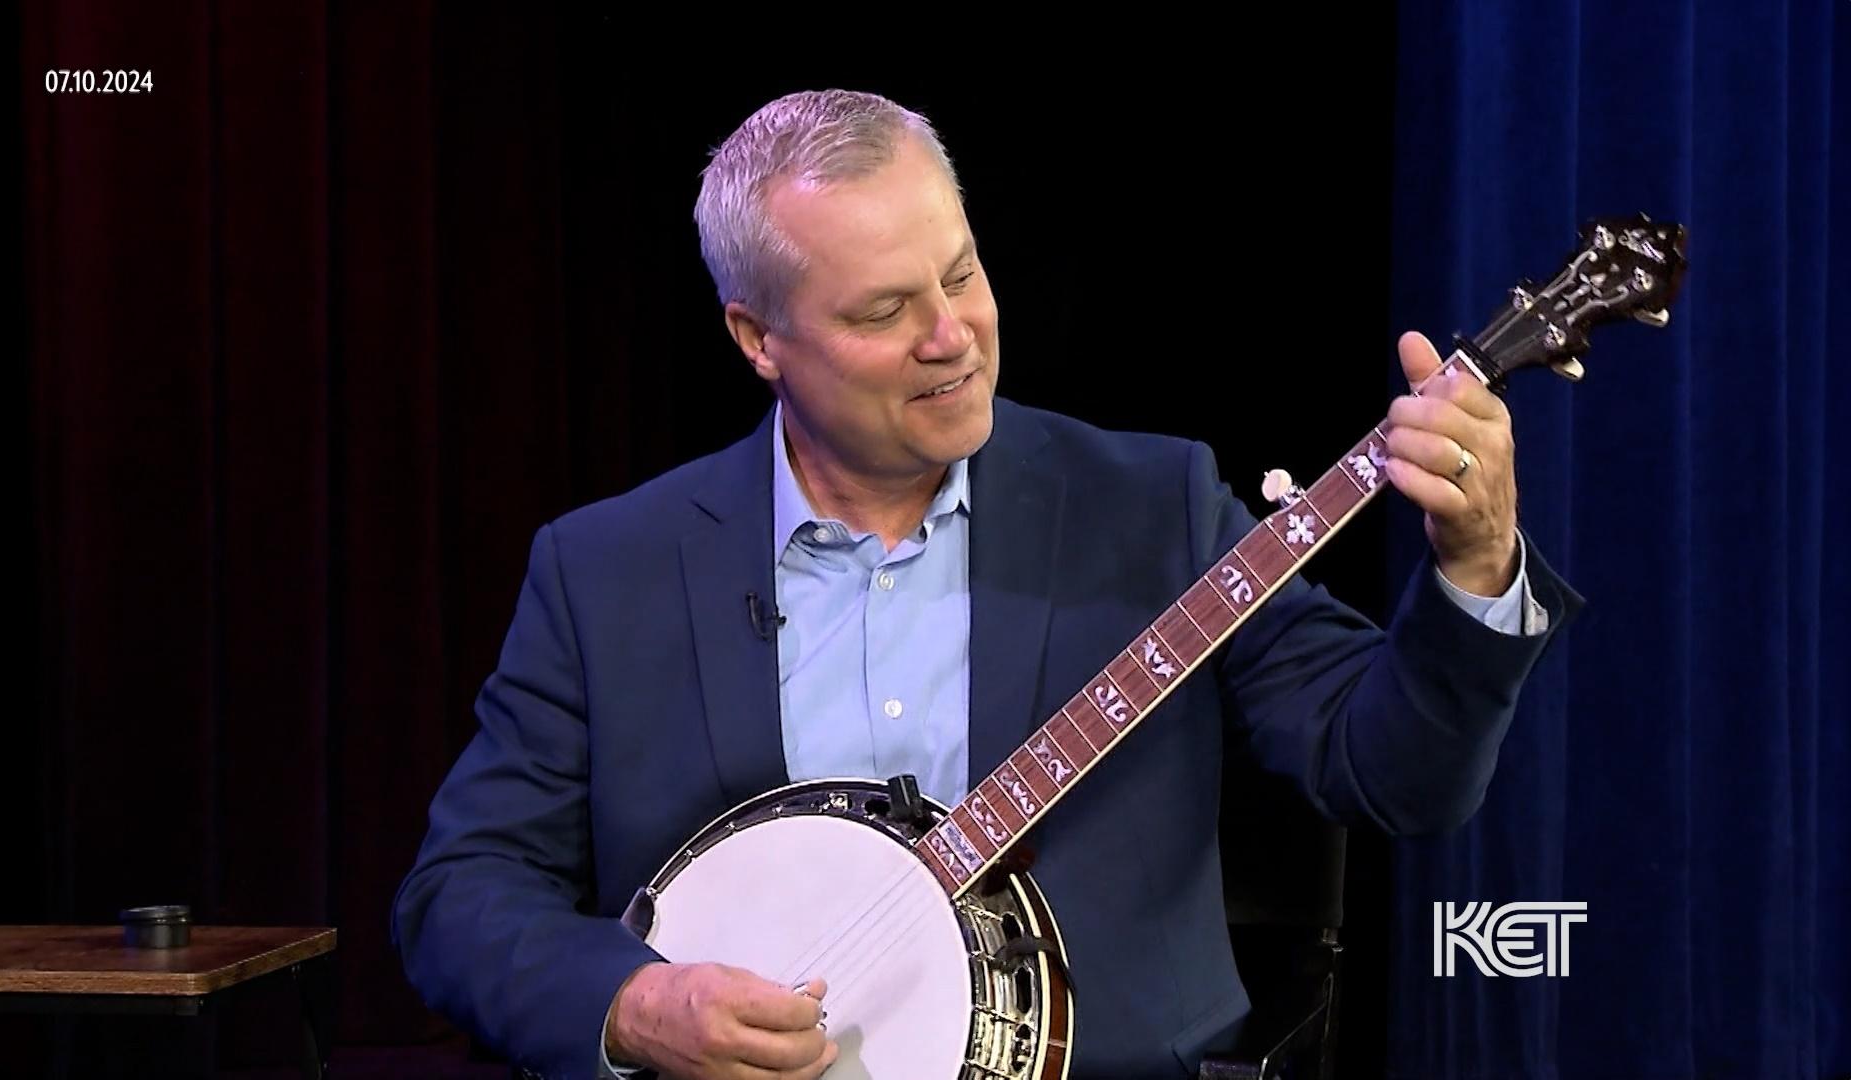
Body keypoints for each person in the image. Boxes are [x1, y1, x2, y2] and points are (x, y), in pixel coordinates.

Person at [391, 89, 1579, 1079]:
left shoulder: (1152, 507)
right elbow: (460, 894)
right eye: (883, 310)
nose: (950, 335)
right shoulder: (608, 572)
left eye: (959, 276)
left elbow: (1397, 778)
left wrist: (1476, 567)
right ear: (758, 339)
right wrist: (639, 1007)